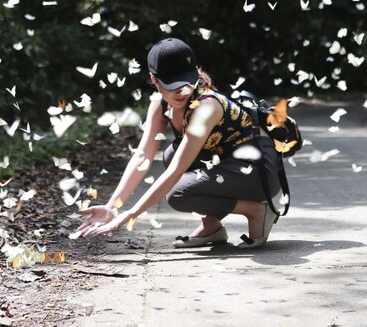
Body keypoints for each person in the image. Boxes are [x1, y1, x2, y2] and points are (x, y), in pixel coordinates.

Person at [78, 37, 282, 248]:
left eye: (186, 82)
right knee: (172, 153)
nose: (181, 91)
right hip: (229, 165)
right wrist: (113, 207)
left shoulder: (207, 106)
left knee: (178, 193)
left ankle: (257, 211)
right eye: (172, 84)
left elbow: (177, 171)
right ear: (154, 80)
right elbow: (142, 156)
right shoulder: (160, 105)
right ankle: (211, 227)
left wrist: (130, 214)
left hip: (259, 171)